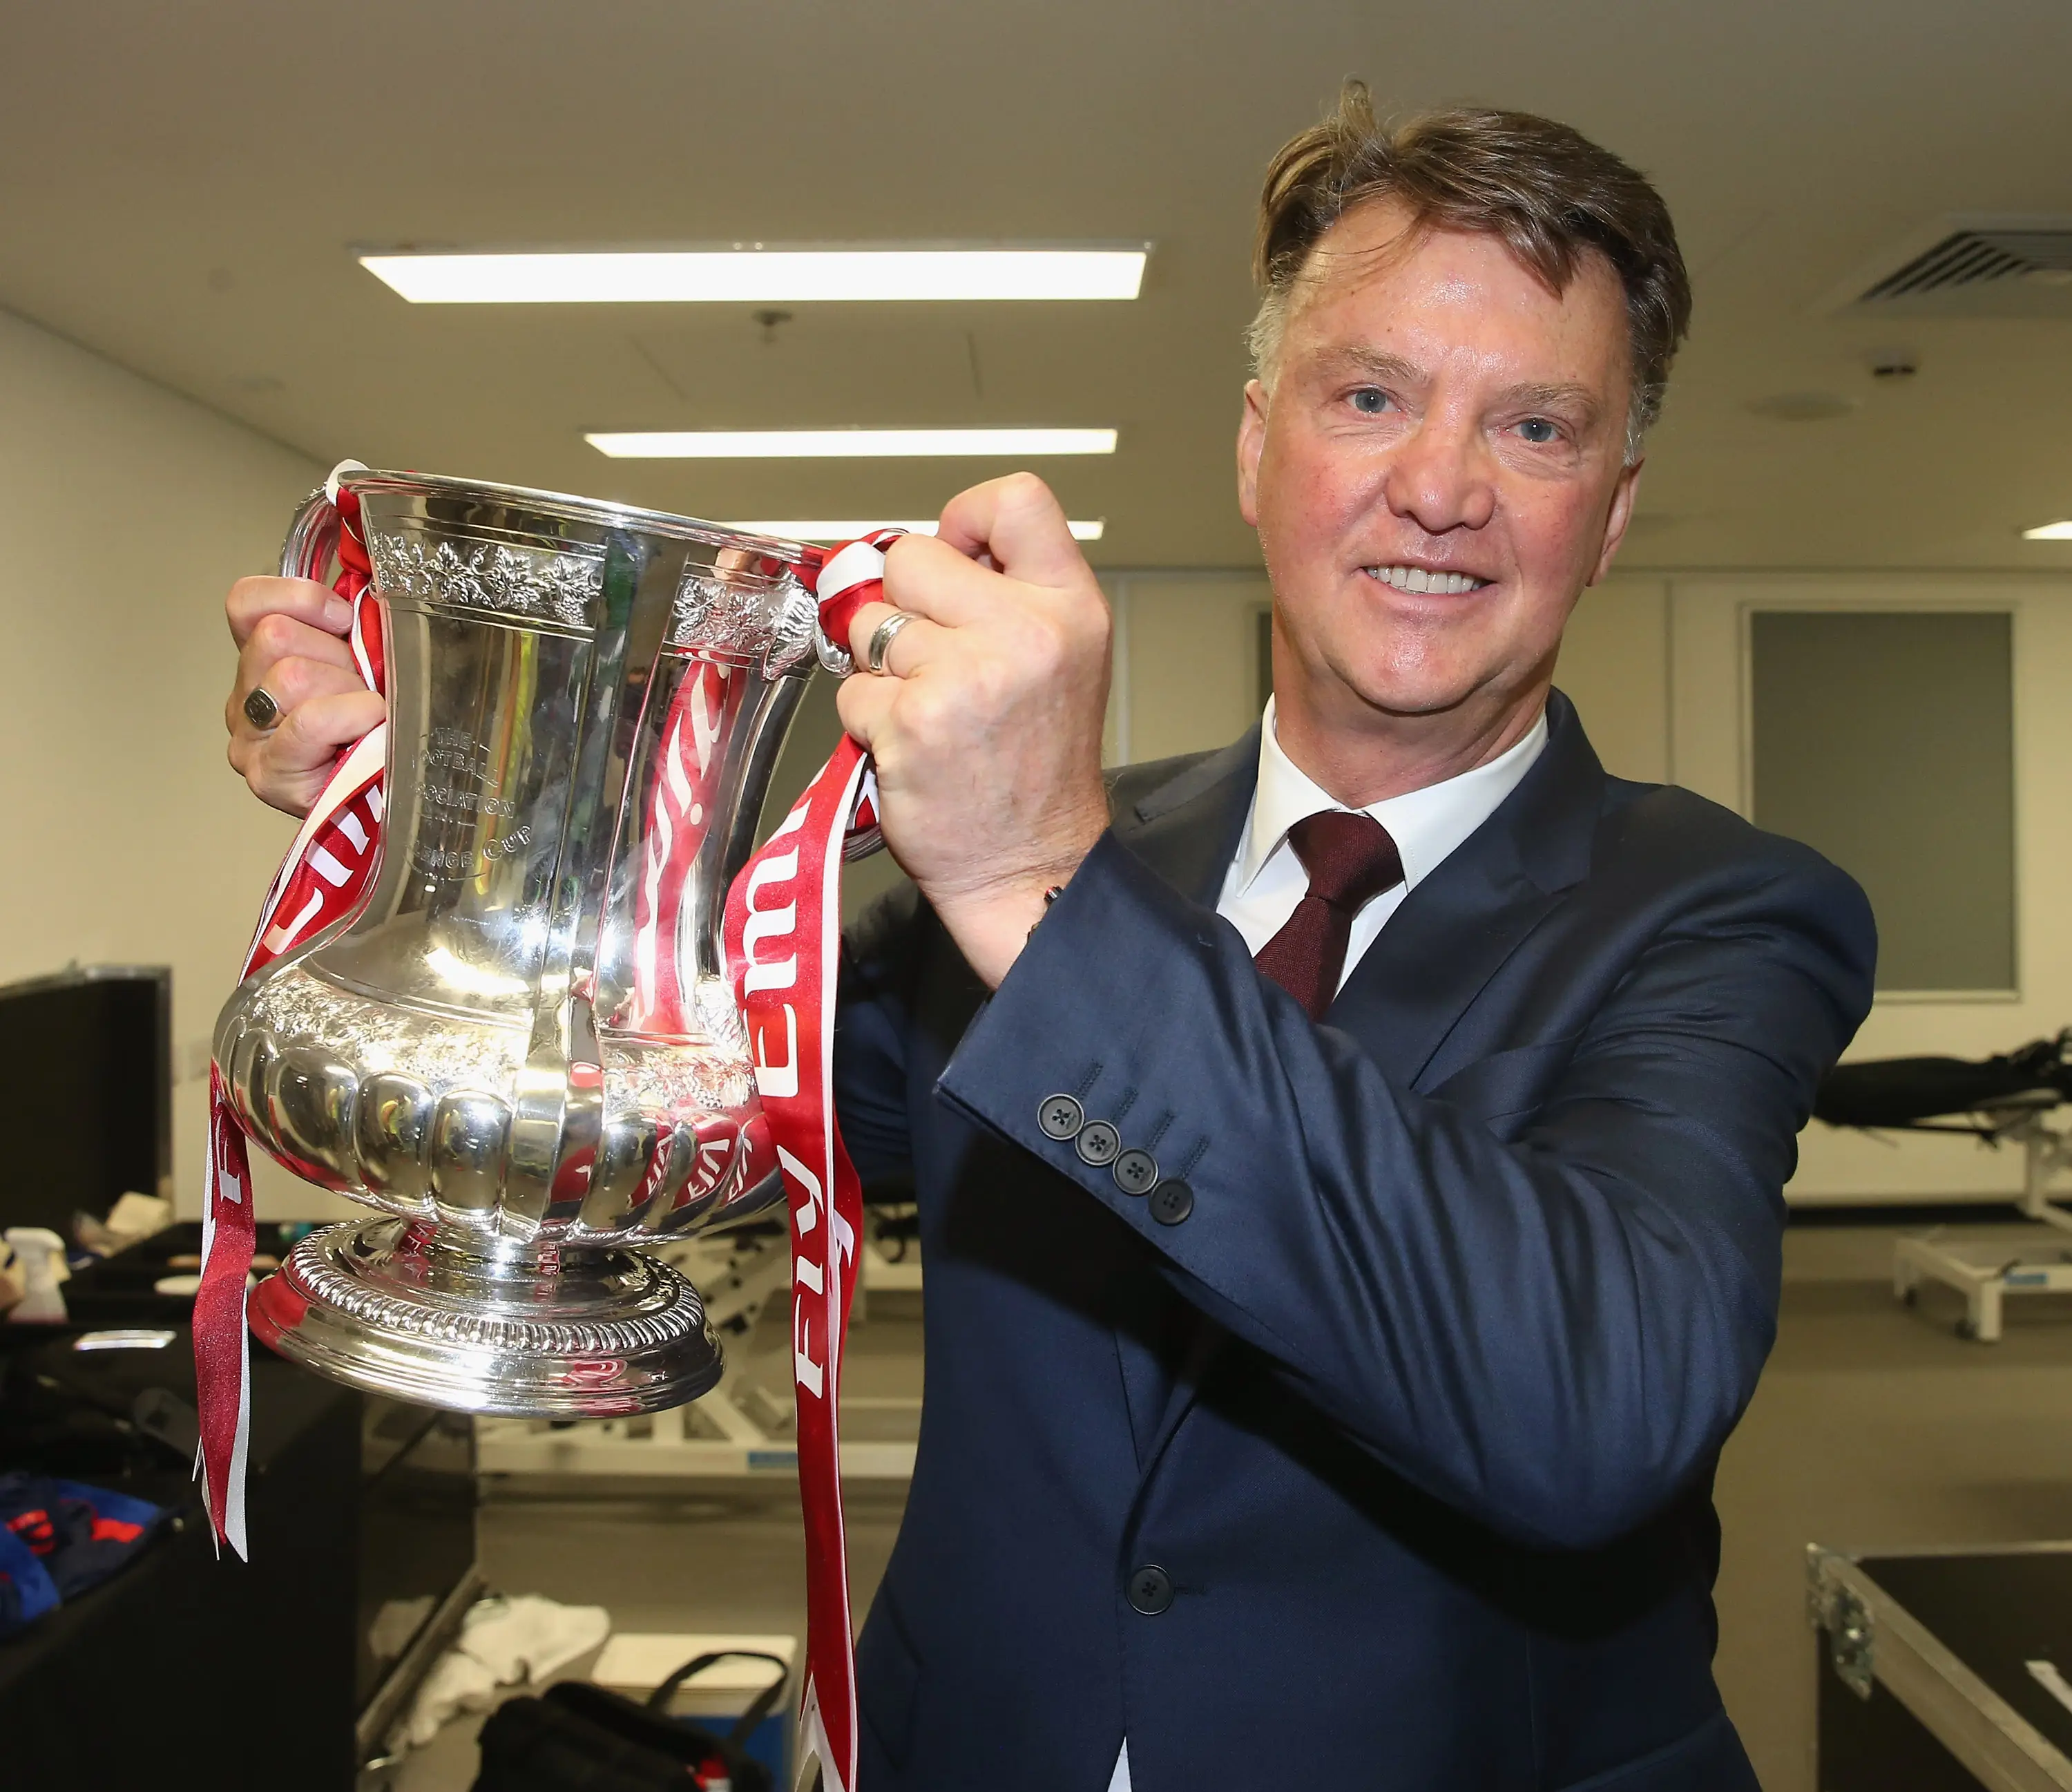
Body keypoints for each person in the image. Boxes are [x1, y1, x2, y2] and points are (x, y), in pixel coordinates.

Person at [227, 85, 1873, 1792]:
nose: (1440, 487)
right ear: (1257, 448)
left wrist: (1042, 876)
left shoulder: (1721, 910)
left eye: (1535, 427)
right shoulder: (1040, 854)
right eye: (1372, 396)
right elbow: (682, 1079)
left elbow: (1596, 1409)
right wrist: (452, 802)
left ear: (1612, 510)